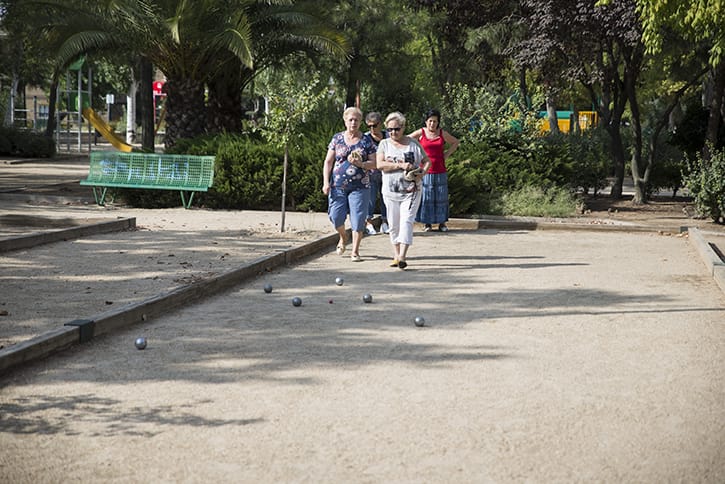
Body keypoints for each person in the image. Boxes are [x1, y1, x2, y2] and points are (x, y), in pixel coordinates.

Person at [376, 111, 431, 270]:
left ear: (403, 127)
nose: (393, 132)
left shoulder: (413, 144)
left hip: (412, 190)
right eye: (390, 130)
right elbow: (380, 165)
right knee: (393, 224)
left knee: (406, 220)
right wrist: (400, 165)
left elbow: (427, 161)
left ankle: (402, 256)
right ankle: (396, 254)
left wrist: (422, 173)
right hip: (390, 191)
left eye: (397, 129)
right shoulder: (384, 144)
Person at [322, 107, 377, 262]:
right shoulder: (337, 138)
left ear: (360, 122)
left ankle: (355, 251)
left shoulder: (366, 141)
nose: (353, 123)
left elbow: (375, 163)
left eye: (356, 120)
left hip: (360, 186)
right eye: (350, 120)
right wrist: (325, 182)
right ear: (345, 121)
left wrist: (361, 164)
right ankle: (343, 236)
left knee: (358, 219)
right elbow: (328, 162)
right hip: (338, 185)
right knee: (335, 216)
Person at [409, 109, 460, 232]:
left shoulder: (442, 133)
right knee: (427, 197)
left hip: (440, 170)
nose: (432, 124)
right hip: (425, 171)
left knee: (441, 197)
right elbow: (406, 140)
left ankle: (442, 223)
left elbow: (455, 142)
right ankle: (427, 223)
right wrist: (414, 157)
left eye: (435, 121)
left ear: (438, 122)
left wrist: (446, 155)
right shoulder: (421, 132)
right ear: (426, 122)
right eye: (430, 121)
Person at [363, 111, 389, 235]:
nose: (372, 128)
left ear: (380, 124)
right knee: (370, 199)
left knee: (386, 198)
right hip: (371, 173)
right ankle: (368, 222)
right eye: (369, 126)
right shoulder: (365, 138)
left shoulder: (388, 136)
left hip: (387, 172)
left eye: (375, 125)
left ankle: (385, 221)